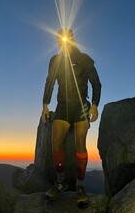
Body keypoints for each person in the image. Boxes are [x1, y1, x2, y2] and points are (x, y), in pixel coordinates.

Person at [41, 28, 101, 204]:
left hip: (81, 106)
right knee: (55, 143)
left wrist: (95, 105)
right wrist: (45, 104)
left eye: (67, 39)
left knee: (80, 144)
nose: (63, 42)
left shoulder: (84, 59)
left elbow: (96, 83)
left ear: (73, 40)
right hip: (63, 106)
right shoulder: (55, 60)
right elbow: (50, 83)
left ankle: (80, 186)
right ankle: (61, 182)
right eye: (60, 40)